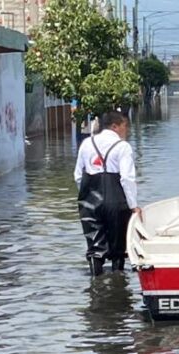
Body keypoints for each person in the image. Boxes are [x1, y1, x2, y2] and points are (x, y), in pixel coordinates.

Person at [73, 110, 140, 276]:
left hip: (89, 200)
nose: (127, 131)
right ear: (115, 126)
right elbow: (126, 179)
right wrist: (133, 205)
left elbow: (78, 176)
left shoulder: (87, 143)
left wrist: (85, 197)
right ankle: (118, 285)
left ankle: (96, 283)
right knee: (118, 246)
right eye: (125, 126)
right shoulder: (123, 147)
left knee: (95, 245)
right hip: (116, 201)